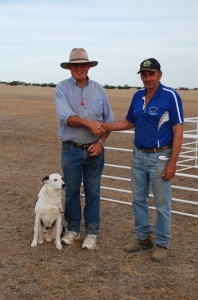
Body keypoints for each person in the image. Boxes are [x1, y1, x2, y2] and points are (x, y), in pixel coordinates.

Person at [103, 58, 184, 262]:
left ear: (159, 75)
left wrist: (173, 162)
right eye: (144, 74)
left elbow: (178, 130)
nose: (148, 78)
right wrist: (105, 126)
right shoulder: (138, 96)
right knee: (138, 199)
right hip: (138, 155)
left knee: (162, 203)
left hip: (160, 156)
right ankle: (142, 238)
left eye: (151, 74)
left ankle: (163, 243)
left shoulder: (170, 96)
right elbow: (130, 122)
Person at [55, 48, 114, 250]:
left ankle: (91, 232)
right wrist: (89, 124)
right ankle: (72, 229)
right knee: (71, 191)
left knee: (93, 191)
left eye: (83, 64)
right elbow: (68, 118)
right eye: (75, 65)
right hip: (71, 149)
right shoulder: (61, 89)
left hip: (95, 150)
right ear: (70, 67)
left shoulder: (99, 89)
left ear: (89, 67)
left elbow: (108, 122)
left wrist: (101, 143)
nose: (79, 68)